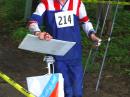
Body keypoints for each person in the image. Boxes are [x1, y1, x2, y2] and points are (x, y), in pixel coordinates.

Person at [28, 0, 101, 97]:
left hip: (75, 53)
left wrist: (92, 35)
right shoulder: (46, 3)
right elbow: (32, 21)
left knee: (77, 90)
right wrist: (37, 32)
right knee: (65, 90)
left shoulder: (77, 3)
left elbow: (85, 22)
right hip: (56, 55)